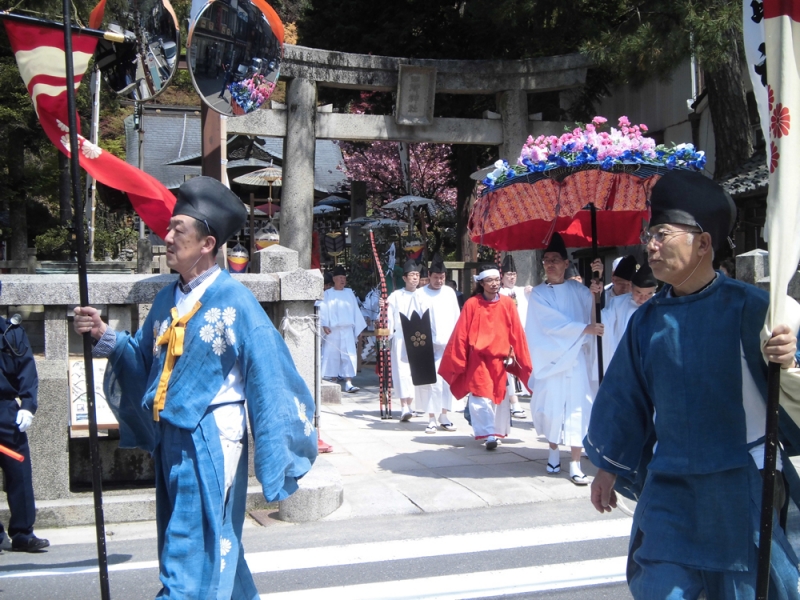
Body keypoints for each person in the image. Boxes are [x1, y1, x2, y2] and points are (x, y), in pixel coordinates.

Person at [73, 176, 317, 598]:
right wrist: (105, 337)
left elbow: (272, 379)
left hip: (211, 438)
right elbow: (145, 363)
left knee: (188, 544)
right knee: (206, 538)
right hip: (171, 437)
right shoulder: (167, 299)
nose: (165, 238)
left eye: (177, 230)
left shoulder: (236, 301)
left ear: (207, 244)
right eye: (168, 229)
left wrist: (277, 456)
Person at [586, 170, 800, 599]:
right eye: (650, 234)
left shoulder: (755, 308)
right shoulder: (646, 321)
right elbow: (624, 397)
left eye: (663, 234)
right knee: (661, 587)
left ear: (703, 243)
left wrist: (789, 355)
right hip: (670, 485)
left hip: (741, 484)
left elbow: (792, 376)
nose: (651, 245)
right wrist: (607, 468)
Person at [526, 233, 602, 485]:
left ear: (566, 263)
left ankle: (576, 463)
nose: (550, 264)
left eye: (555, 259)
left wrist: (596, 293)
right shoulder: (538, 294)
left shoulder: (579, 290)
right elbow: (550, 325)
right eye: (546, 260)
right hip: (551, 361)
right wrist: (583, 329)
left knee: (577, 409)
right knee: (550, 408)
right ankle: (553, 452)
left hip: (576, 361)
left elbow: (592, 316)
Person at [439, 264, 532, 450]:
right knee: (480, 396)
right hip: (478, 359)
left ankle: (494, 431)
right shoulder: (472, 304)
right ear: (481, 283)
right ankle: (489, 433)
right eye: (490, 280)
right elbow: (461, 333)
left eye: (497, 279)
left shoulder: (507, 303)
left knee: (497, 397)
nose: (494, 284)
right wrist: (459, 358)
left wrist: (517, 355)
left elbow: (517, 333)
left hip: (499, 360)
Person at [0, 311, 49, 552]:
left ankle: (22, 532)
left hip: (5, 409)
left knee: (18, 470)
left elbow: (26, 367)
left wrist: (28, 405)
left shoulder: (10, 331)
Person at [416, 255, 460, 433]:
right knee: (430, 383)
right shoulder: (420, 294)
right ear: (429, 275)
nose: (439, 281)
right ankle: (431, 417)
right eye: (436, 277)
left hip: (448, 345)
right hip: (428, 346)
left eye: (442, 277)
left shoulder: (449, 293)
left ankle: (444, 415)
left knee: (446, 382)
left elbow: (457, 317)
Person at [593, 262, 658, 371]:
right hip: (624, 360)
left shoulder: (660, 305)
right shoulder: (618, 303)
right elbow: (601, 322)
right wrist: (595, 296)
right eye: (639, 293)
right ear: (632, 288)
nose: (643, 299)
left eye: (648, 294)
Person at [384, 259, 424, 421]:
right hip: (401, 337)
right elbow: (389, 319)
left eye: (417, 275)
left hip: (420, 337)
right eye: (411, 275)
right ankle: (403, 406)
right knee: (401, 372)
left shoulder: (423, 295)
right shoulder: (395, 296)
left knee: (416, 372)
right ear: (405, 278)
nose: (415, 278)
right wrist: (387, 337)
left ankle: (412, 404)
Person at [320, 266, 367, 393]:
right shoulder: (327, 294)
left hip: (347, 329)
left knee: (348, 354)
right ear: (334, 279)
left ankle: (348, 382)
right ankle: (332, 380)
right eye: (340, 278)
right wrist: (324, 324)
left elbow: (356, 311)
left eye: (344, 278)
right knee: (331, 354)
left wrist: (359, 329)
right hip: (332, 330)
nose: (342, 280)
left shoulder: (349, 293)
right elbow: (322, 309)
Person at [498, 254, 533, 419]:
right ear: (502, 276)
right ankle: (514, 402)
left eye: (513, 275)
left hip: (524, 335)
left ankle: (529, 393)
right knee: (509, 369)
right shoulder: (499, 293)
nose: (511, 278)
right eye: (508, 275)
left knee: (526, 365)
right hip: (506, 335)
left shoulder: (522, 291)